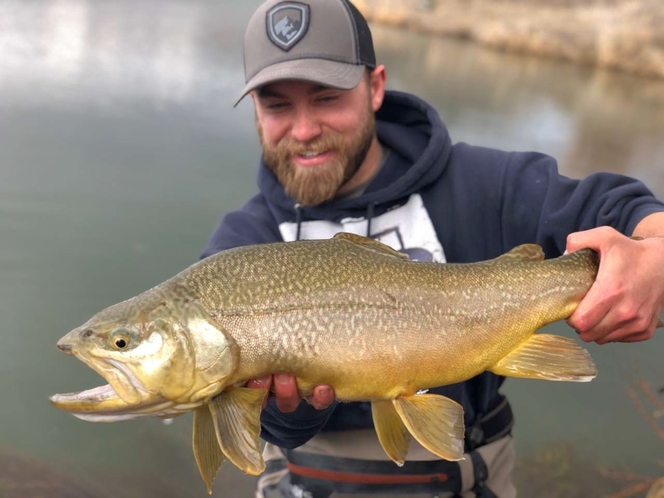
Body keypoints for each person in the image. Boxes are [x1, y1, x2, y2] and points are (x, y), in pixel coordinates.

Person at [201, 1, 664, 496]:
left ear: (375, 87)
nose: (305, 130)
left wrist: (654, 259)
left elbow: (625, 209)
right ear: (255, 110)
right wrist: (283, 412)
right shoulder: (243, 248)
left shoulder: (486, 185)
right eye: (277, 105)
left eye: (327, 97)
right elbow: (262, 429)